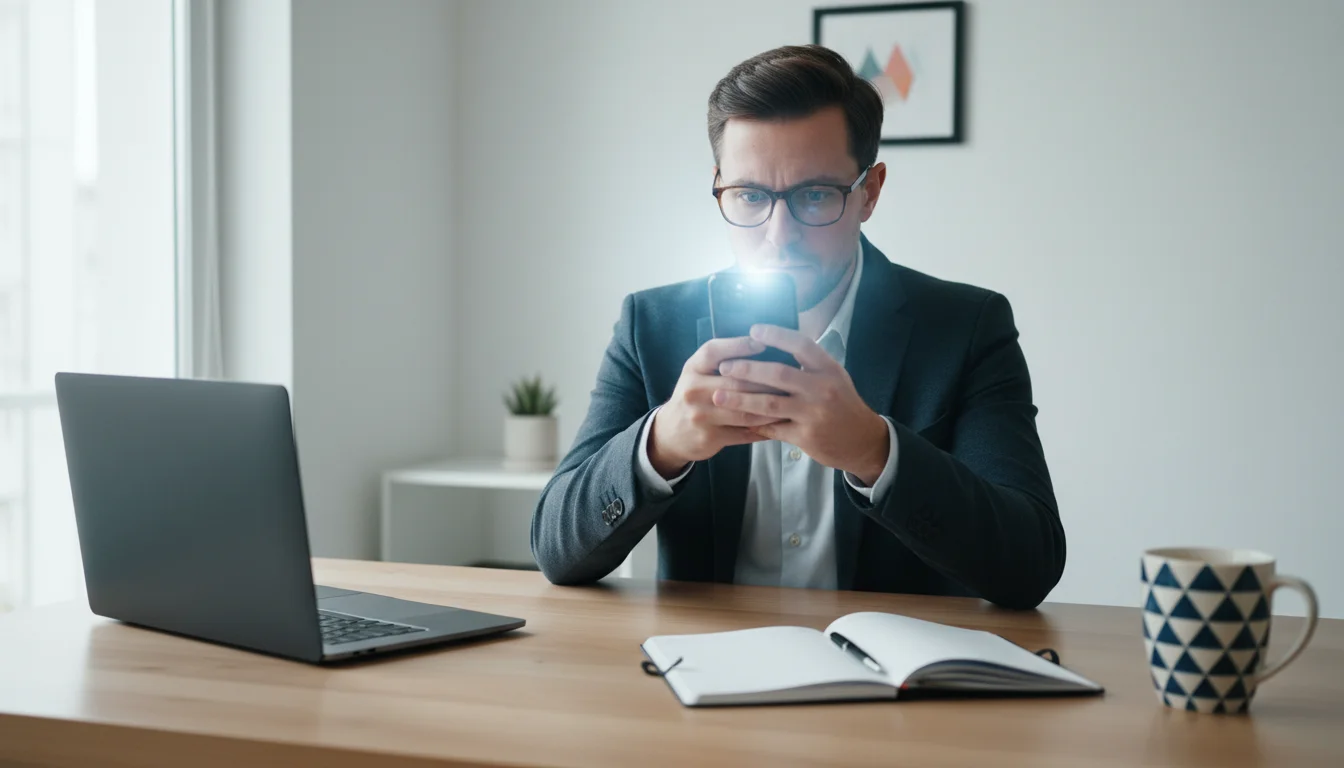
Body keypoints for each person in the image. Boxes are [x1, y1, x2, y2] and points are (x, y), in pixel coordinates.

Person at [529, 45, 1064, 609]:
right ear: (720, 188)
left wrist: (875, 452)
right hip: (703, 673)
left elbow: (1029, 566)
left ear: (870, 192)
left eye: (814, 195)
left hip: (894, 682)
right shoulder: (651, 325)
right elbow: (556, 552)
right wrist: (662, 443)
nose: (778, 235)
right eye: (751, 196)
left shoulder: (966, 327)